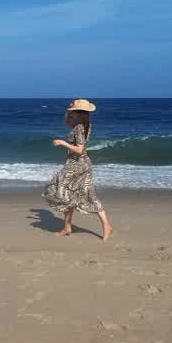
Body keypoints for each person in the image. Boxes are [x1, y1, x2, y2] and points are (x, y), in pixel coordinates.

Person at [43, 99, 113, 241]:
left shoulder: (79, 128)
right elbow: (67, 123)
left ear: (78, 113)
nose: (71, 113)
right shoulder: (84, 125)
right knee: (78, 195)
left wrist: (63, 143)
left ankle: (70, 227)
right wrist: (68, 111)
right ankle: (69, 227)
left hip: (77, 165)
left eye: (73, 111)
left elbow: (80, 150)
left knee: (59, 190)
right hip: (81, 164)